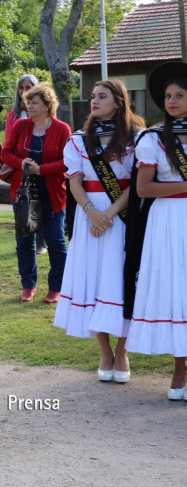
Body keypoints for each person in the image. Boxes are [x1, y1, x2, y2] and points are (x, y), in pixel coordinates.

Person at [53, 80, 144, 384]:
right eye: (92, 96)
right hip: (88, 215)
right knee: (94, 281)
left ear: (119, 101)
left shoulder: (136, 138)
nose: (94, 101)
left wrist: (108, 214)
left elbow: (137, 184)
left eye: (102, 96)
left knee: (119, 282)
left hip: (123, 216)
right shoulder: (79, 140)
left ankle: (122, 350)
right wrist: (92, 212)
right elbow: (74, 181)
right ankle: (104, 350)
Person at [124, 61, 187, 400]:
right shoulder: (153, 139)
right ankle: (180, 368)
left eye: (179, 94)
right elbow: (144, 189)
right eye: (167, 95)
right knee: (176, 290)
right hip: (167, 222)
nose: (172, 100)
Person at [1, 84, 71, 303]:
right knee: (24, 237)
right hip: (24, 190)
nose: (29, 106)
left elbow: (67, 162)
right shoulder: (21, 125)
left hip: (52, 191)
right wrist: (22, 162)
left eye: (34, 102)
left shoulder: (62, 129)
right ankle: (28, 285)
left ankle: (56, 287)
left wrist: (42, 169)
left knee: (56, 240)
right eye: (27, 102)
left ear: (47, 105)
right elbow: (6, 153)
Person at [6, 75, 47, 253]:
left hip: (43, 171)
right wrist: (21, 162)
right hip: (21, 171)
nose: (24, 91)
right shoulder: (14, 115)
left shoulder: (51, 118)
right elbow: (8, 145)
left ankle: (41, 241)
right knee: (24, 215)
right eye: (21, 87)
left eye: (29, 86)